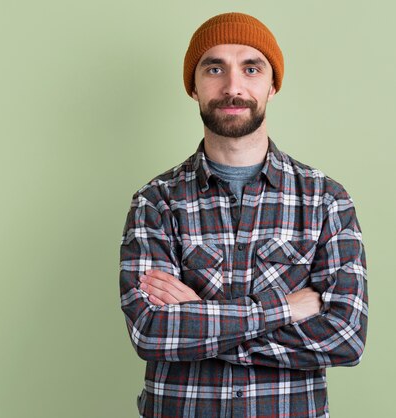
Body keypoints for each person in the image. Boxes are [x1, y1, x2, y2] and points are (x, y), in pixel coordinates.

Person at [119, 12, 368, 417]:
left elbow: (345, 337)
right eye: (214, 68)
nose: (233, 86)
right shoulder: (156, 201)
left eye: (251, 68)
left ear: (272, 85)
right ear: (193, 87)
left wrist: (202, 327)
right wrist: (284, 309)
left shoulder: (326, 199)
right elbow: (151, 332)